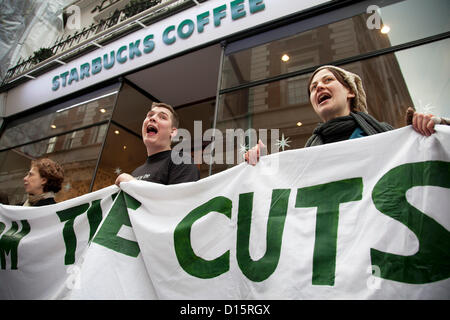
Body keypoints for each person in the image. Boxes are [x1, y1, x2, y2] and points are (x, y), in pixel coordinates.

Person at [245, 65, 446, 164]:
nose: (319, 87)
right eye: (314, 87)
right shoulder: (307, 154)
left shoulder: (385, 135)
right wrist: (263, 165)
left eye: (328, 80)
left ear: (350, 91)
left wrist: (435, 127)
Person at [115, 102, 200, 186]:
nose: (152, 118)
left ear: (173, 132)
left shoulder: (182, 162)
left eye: (163, 117)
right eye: (150, 115)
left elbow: (179, 199)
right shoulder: (135, 172)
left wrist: (134, 185)